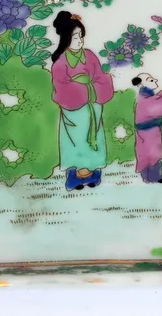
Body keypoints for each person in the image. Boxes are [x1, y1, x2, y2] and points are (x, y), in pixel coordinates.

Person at [50, 11, 114, 191]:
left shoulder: (90, 56)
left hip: (93, 105)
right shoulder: (60, 63)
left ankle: (93, 174)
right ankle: (76, 176)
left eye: (81, 36)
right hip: (74, 110)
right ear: (66, 38)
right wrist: (85, 89)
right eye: (75, 36)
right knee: (76, 139)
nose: (80, 40)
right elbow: (61, 87)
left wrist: (94, 88)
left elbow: (100, 76)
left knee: (94, 136)